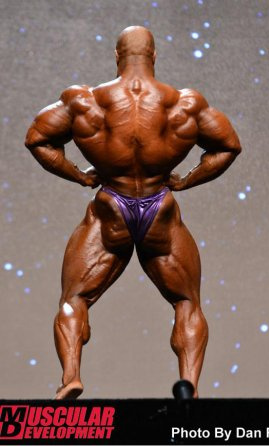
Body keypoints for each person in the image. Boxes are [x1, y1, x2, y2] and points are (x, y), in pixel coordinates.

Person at [24, 26, 241, 399]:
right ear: (154, 56)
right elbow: (228, 146)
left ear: (116, 55)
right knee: (186, 301)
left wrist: (80, 176)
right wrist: (186, 181)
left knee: (74, 298)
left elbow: (37, 139)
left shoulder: (84, 101)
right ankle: (190, 385)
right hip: (160, 208)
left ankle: (71, 377)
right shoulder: (185, 104)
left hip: (111, 205)